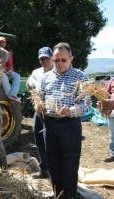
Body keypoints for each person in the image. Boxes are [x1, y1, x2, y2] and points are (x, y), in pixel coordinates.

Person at [37, 42, 91, 198]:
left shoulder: (80, 77)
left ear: (71, 59)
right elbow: (40, 97)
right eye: (56, 60)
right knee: (53, 162)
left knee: (70, 164)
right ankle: (57, 193)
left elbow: (86, 104)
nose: (59, 64)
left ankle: (69, 195)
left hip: (70, 125)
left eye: (63, 60)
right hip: (50, 124)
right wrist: (38, 105)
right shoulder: (46, 77)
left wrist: (72, 110)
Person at [26, 46, 53, 179]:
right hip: (39, 112)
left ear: (52, 58)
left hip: (52, 113)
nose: (44, 61)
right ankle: (44, 170)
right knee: (39, 140)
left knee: (51, 142)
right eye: (41, 59)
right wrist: (34, 97)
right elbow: (29, 84)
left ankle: (54, 171)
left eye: (46, 58)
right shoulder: (36, 72)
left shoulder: (57, 72)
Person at [0, 37, 21, 102]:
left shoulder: (6, 52)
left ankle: (13, 94)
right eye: (0, 42)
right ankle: (9, 95)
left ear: (5, 44)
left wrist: (9, 70)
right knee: (3, 75)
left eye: (3, 42)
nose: (2, 43)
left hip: (5, 70)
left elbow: (10, 65)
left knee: (17, 76)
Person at [101, 77, 114, 162]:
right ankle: (113, 154)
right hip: (112, 112)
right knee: (113, 134)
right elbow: (106, 93)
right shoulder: (112, 80)